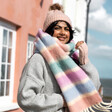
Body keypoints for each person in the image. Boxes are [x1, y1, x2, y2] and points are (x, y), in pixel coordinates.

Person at [17, 3, 102, 112]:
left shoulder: (73, 58)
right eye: (57, 28)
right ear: (48, 32)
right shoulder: (39, 59)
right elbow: (25, 98)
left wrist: (84, 60)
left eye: (66, 29)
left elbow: (92, 87)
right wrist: (63, 99)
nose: (63, 33)